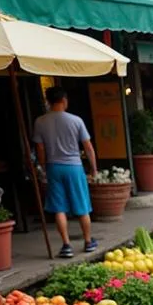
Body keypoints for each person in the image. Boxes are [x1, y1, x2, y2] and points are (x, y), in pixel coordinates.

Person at [32, 86, 98, 259]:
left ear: (48, 101)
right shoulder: (76, 120)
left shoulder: (40, 121)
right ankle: (88, 241)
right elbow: (88, 147)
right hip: (74, 167)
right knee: (82, 206)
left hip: (54, 166)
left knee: (59, 207)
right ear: (64, 100)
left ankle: (66, 245)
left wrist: (43, 166)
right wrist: (93, 168)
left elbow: (39, 148)